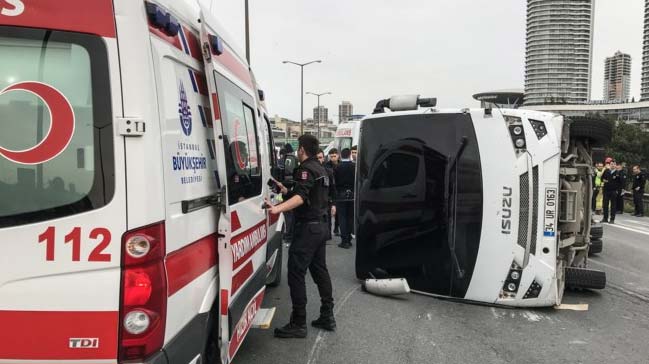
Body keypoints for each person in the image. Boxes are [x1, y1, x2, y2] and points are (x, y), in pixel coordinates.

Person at [266, 135, 336, 338]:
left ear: (303, 149)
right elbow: (306, 194)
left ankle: (298, 322)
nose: (297, 152)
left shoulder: (306, 169)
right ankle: (327, 315)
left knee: (296, 273)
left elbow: (300, 197)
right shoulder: (322, 169)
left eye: (299, 148)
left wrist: (276, 208)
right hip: (321, 227)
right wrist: (284, 189)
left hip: (308, 229)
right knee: (319, 270)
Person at [334, 148, 355, 249]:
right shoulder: (354, 166)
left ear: (340, 155)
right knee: (350, 217)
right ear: (350, 154)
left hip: (341, 194)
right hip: (352, 194)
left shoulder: (337, 167)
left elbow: (335, 182)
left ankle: (344, 240)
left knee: (342, 217)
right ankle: (349, 239)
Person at [280, 144, 298, 245]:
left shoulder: (280, 161)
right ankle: (290, 235)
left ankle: (285, 233)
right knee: (291, 212)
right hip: (292, 188)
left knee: (284, 212)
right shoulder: (295, 159)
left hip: (282, 188)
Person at [318, 149, 337, 241]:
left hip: (326, 201)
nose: (319, 160)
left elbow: (333, 189)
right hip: (314, 203)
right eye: (317, 158)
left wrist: (333, 204)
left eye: (320, 157)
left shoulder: (328, 172)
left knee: (327, 221)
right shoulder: (309, 171)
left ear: (323, 158)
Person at [326, 148, 340, 235]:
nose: (333, 158)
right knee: (329, 211)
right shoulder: (327, 165)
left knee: (338, 211)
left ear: (338, 155)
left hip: (338, 189)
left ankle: (336, 228)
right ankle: (329, 231)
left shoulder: (341, 164)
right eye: (331, 156)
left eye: (334, 156)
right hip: (330, 190)